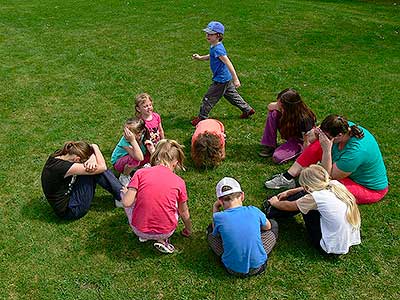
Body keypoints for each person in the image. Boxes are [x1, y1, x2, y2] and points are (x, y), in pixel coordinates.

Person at [264, 115, 389, 204]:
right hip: (345, 174)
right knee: (319, 144)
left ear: (339, 135)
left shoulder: (356, 152)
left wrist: (327, 150)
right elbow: (311, 140)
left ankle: (288, 200)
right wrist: (316, 134)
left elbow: (328, 177)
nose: (324, 138)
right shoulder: (342, 127)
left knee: (326, 189)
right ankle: (288, 177)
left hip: (367, 188)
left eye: (328, 136)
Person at [267, 165, 361, 255]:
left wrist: (274, 202)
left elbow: (290, 206)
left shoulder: (316, 197)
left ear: (307, 187)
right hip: (346, 241)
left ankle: (272, 211)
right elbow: (307, 189)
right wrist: (289, 192)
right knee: (305, 198)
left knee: (304, 202)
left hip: (327, 246)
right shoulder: (335, 185)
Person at [121, 139, 192, 254]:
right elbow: (183, 211)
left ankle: (145, 236)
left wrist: (127, 192)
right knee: (173, 202)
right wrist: (188, 229)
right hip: (167, 231)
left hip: (139, 230)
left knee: (125, 195)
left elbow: (126, 203)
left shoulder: (140, 173)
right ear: (175, 163)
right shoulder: (179, 182)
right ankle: (163, 239)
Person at [207, 177, 278, 277]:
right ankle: (257, 252)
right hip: (257, 267)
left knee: (211, 233)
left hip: (231, 269)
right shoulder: (254, 210)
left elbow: (216, 234)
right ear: (242, 196)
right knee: (274, 225)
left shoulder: (218, 217)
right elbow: (268, 227)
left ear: (221, 201)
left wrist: (215, 208)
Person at [191, 21, 255, 126]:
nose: (207, 36)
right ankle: (247, 110)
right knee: (232, 96)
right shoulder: (215, 46)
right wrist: (200, 58)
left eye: (210, 34)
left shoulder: (218, 49)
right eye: (207, 33)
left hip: (220, 80)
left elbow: (227, 62)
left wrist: (236, 79)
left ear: (218, 35)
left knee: (208, 98)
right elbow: (211, 56)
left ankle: (202, 118)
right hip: (225, 79)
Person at [41, 141, 123, 220]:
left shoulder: (61, 154)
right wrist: (96, 147)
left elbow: (89, 152)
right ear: (77, 159)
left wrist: (92, 158)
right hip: (70, 210)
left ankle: (121, 194)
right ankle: (123, 196)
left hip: (70, 193)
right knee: (95, 171)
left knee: (93, 167)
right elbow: (102, 167)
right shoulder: (62, 168)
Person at [259, 88, 316, 164]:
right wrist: (277, 106)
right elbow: (270, 106)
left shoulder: (304, 119)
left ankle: (298, 150)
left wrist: (303, 157)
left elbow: (307, 141)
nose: (278, 105)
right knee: (273, 114)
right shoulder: (285, 111)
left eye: (281, 105)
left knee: (277, 157)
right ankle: (269, 145)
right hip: (291, 136)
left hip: (300, 140)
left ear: (289, 106)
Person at [111, 117, 155, 186]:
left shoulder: (144, 136)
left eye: (129, 132)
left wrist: (151, 149)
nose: (125, 134)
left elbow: (153, 153)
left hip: (138, 159)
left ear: (140, 133)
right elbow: (139, 158)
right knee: (135, 158)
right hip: (119, 163)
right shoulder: (125, 141)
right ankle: (124, 176)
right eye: (125, 131)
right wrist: (132, 140)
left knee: (149, 149)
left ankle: (139, 167)